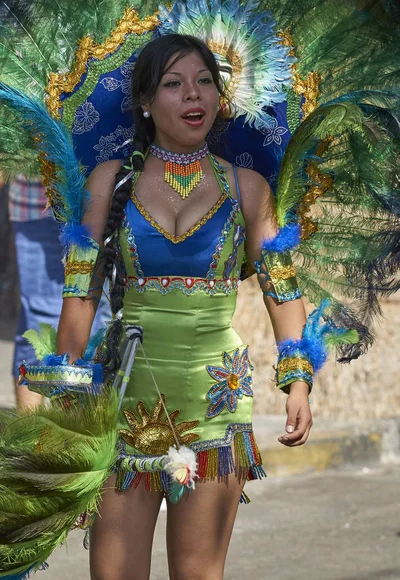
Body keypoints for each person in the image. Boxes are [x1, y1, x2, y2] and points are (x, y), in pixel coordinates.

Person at [56, 34, 312, 580]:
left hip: (216, 404)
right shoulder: (109, 181)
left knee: (198, 575)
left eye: (204, 82)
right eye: (173, 84)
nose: (193, 95)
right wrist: (66, 401)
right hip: (123, 399)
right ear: (145, 102)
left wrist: (297, 381)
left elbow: (281, 290)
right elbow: (81, 292)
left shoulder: (249, 189)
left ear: (221, 98)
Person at [8, 174, 111, 410]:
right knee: (38, 325)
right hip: (40, 209)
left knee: (98, 330)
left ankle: (81, 433)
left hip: (102, 206)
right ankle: (30, 436)